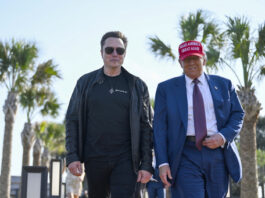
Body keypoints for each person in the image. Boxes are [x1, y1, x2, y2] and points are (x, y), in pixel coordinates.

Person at [65, 31, 153, 198]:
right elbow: (72, 120)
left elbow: (146, 127)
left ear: (124, 54)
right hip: (94, 158)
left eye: (119, 51)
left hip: (126, 160)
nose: (114, 54)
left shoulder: (137, 85)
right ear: (101, 53)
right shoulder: (85, 83)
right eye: (109, 50)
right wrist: (72, 156)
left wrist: (147, 165)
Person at [153, 40, 244, 198]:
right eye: (187, 59)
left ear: (204, 59)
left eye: (196, 58)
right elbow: (159, 128)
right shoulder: (166, 89)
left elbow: (237, 114)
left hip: (218, 154)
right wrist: (163, 162)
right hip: (184, 155)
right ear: (180, 62)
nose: (192, 63)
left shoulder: (224, 85)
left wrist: (223, 136)